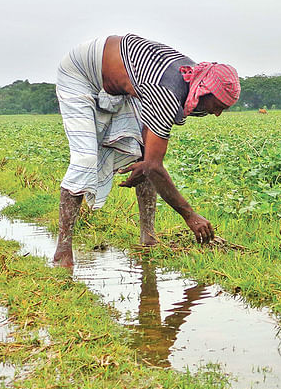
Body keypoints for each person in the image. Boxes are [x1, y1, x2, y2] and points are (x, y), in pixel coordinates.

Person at [53, 34, 240, 267]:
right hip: (80, 72)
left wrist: (148, 163)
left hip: (122, 82)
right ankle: (63, 251)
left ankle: (148, 238)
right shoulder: (167, 89)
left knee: (145, 155)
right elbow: (154, 167)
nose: (217, 113)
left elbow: (151, 160)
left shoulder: (194, 77)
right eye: (218, 106)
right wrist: (189, 215)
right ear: (204, 91)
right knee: (85, 159)